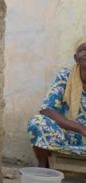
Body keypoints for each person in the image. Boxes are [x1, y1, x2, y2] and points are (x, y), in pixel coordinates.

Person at [27, 38, 86, 167]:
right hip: (68, 135)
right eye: (83, 50)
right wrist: (81, 128)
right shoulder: (66, 76)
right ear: (76, 58)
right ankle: (43, 166)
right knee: (37, 123)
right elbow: (47, 109)